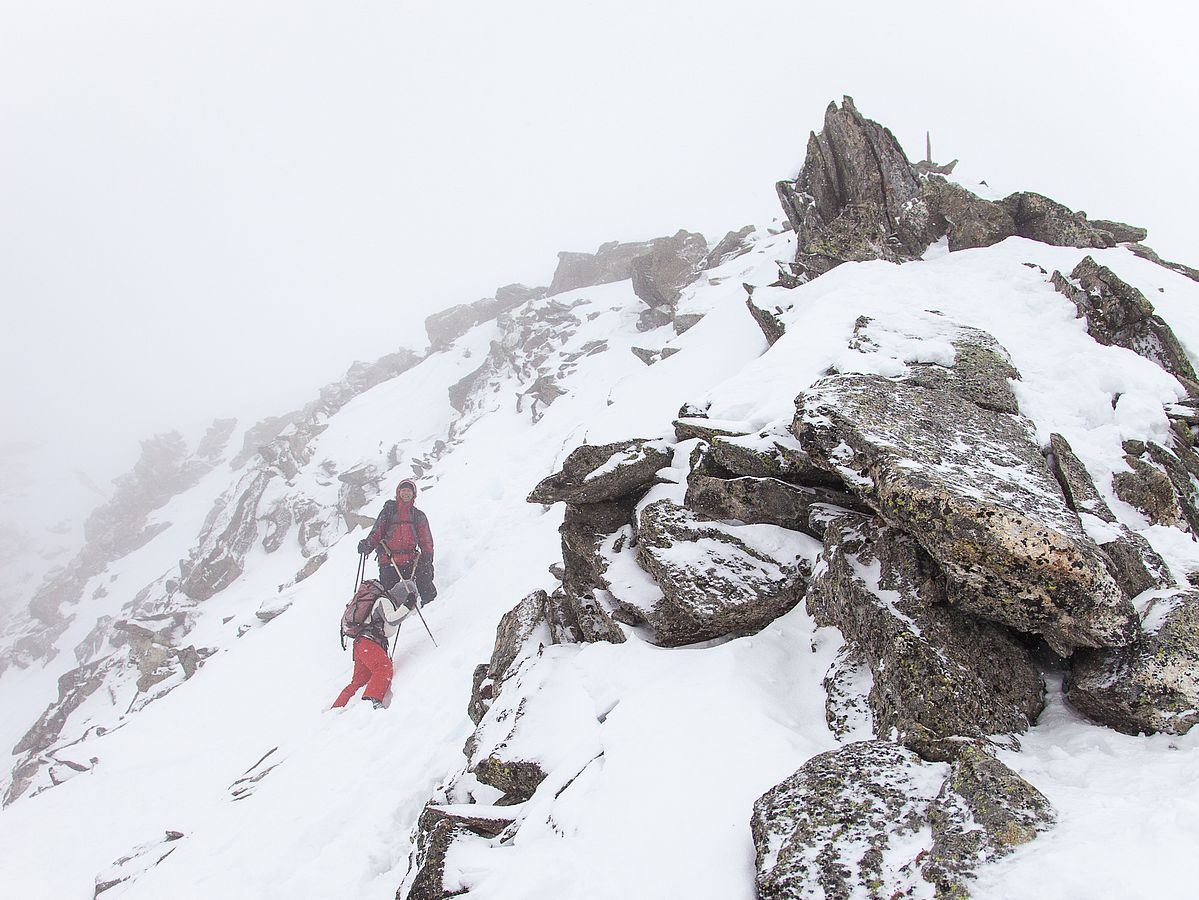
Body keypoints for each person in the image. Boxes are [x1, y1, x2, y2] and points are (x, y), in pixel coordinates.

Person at [331, 582, 416, 709]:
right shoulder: (384, 600)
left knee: (359, 681)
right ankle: (373, 700)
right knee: (384, 668)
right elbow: (392, 620)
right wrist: (407, 605)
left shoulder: (386, 601)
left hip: (363, 644)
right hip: (368, 642)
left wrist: (405, 607)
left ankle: (337, 709)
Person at [358, 479, 437, 605]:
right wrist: (367, 545)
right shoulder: (388, 512)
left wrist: (427, 556)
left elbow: (426, 539)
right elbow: (377, 532)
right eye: (403, 490)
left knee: (426, 584)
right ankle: (390, 619)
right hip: (389, 561)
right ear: (398, 492)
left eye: (409, 491)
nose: (406, 493)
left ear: (413, 494)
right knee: (389, 598)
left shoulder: (418, 516)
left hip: (411, 560)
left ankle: (431, 609)